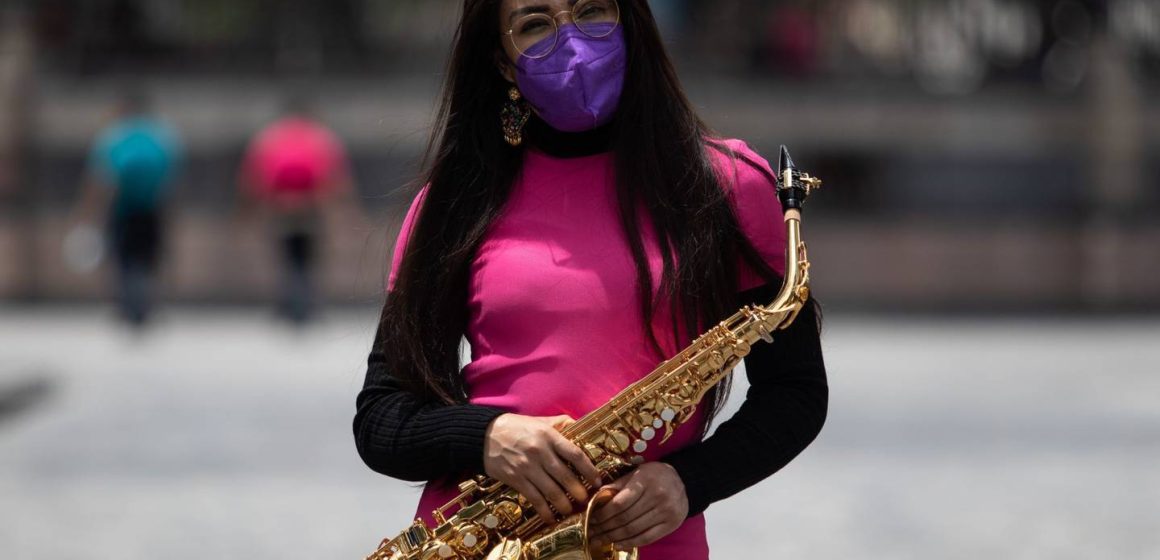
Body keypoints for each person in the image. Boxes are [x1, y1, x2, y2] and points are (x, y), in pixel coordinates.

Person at [353, 1, 828, 558]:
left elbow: (795, 393)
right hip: (480, 540)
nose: (572, 42)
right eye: (534, 25)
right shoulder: (454, 205)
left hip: (651, 540)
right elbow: (381, 419)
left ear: (632, 22)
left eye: (591, 11)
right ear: (502, 62)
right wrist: (488, 438)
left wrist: (688, 482)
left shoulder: (729, 186)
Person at [238, 95, 360, 324]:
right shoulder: (322, 137)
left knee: (287, 255)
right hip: (311, 205)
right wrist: (346, 210)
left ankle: (288, 305)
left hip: (280, 205)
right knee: (308, 256)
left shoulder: (269, 137)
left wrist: (249, 209)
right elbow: (338, 177)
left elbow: (253, 176)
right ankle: (306, 305)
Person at [71, 88, 182, 327]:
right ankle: (145, 304)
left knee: (123, 257)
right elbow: (171, 179)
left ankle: (127, 305)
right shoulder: (162, 136)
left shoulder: (113, 136)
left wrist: (86, 212)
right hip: (152, 207)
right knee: (148, 256)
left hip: (120, 206)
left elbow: (99, 177)